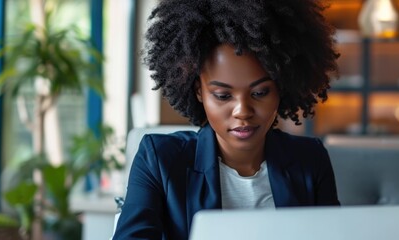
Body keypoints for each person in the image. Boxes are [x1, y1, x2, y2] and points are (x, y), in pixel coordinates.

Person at [113, 0, 340, 239]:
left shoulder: (310, 160)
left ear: (281, 89)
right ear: (199, 91)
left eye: (260, 93)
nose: (242, 111)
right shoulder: (159, 160)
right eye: (223, 95)